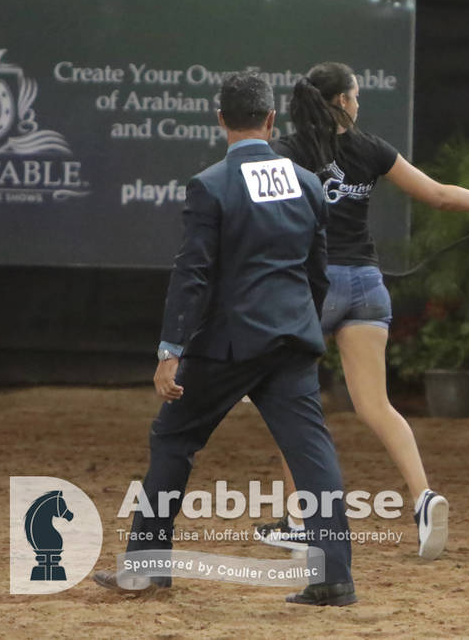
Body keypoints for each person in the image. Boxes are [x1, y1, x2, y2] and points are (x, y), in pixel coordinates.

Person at [92, 73, 356, 606]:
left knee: (174, 440)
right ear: (270, 121)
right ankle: (334, 578)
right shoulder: (307, 183)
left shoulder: (211, 184)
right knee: (311, 453)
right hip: (292, 340)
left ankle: (146, 569)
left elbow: (193, 274)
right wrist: (302, 321)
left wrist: (171, 349)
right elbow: (318, 272)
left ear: (220, 121)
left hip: (229, 345)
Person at [255, 61, 469, 561]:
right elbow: (440, 196)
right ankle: (423, 497)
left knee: (294, 404)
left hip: (311, 288)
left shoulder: (287, 151)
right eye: (356, 95)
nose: (360, 103)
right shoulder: (371, 148)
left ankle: (299, 519)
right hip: (366, 285)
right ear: (341, 101)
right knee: (377, 406)